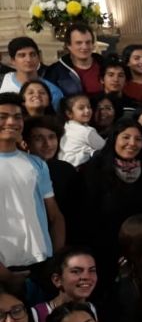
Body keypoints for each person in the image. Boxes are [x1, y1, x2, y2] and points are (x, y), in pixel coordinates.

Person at [78, 118, 142, 296]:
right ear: (114, 139)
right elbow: (85, 217)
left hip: (139, 251)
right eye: (126, 137)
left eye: (138, 139)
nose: (132, 143)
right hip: (103, 253)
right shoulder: (94, 170)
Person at [0, 93, 65, 293]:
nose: (12, 122)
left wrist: (56, 261)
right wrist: (6, 276)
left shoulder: (36, 164)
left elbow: (55, 216)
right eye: (3, 116)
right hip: (4, 271)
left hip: (41, 268)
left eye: (18, 116)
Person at [22, 116, 84, 244]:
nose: (47, 144)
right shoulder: (20, 170)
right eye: (38, 138)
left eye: (51, 137)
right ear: (25, 143)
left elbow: (76, 214)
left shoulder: (65, 169)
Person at [30, 247, 98, 322]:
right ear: (57, 280)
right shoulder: (35, 315)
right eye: (76, 271)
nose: (86, 277)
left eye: (92, 270)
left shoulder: (99, 310)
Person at [0, 37, 64, 108]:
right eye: (22, 55)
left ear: (39, 58)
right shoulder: (2, 82)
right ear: (13, 60)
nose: (28, 59)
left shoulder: (52, 91)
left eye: (32, 54)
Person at [45, 23, 104, 97]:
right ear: (68, 45)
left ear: (93, 44)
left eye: (88, 42)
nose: (84, 47)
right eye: (79, 43)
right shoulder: (55, 72)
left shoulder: (104, 65)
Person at [57, 93, 105, 167]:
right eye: (81, 108)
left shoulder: (66, 126)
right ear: (69, 113)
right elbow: (105, 148)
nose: (87, 111)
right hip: (77, 168)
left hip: (62, 166)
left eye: (89, 107)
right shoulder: (87, 131)